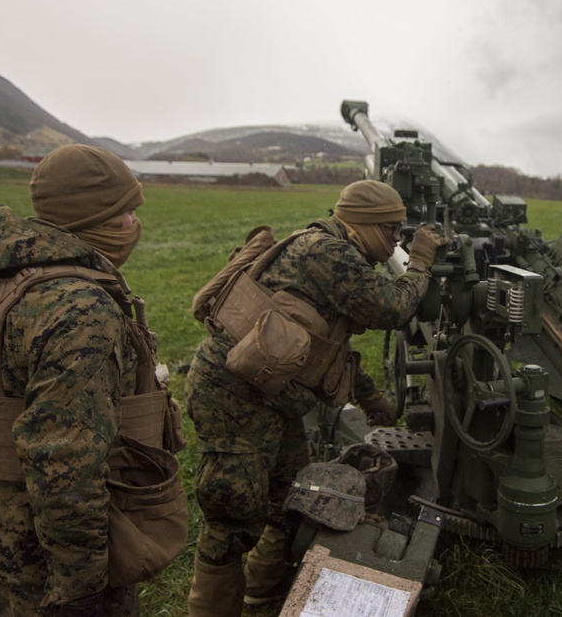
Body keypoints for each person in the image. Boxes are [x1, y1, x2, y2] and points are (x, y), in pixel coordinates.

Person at [185, 179, 446, 616]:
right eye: (392, 231)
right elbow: (391, 308)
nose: (396, 240)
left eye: (402, 232)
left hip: (272, 394)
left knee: (289, 492)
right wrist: (419, 263)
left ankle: (259, 589)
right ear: (361, 225)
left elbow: (330, 349)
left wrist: (371, 399)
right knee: (231, 511)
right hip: (234, 395)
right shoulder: (328, 252)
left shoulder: (339, 253)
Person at [0, 144, 178, 616]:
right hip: (47, 544)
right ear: (87, 215)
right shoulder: (79, 309)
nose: (135, 223)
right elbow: (65, 460)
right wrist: (83, 586)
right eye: (123, 213)